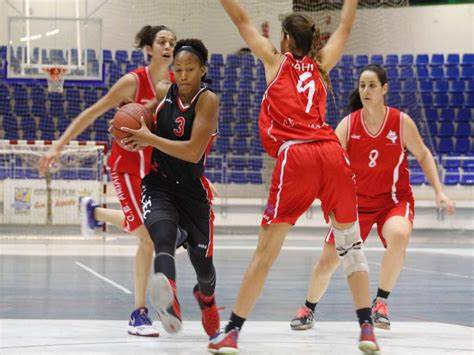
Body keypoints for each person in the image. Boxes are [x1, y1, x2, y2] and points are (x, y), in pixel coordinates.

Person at [209, 1, 381, 354]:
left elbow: (242, 20)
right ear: (313, 40)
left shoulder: (274, 62)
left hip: (298, 155)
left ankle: (232, 332)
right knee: (351, 247)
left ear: (286, 39)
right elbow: (346, 28)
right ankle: (367, 328)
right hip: (333, 154)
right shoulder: (321, 66)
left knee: (265, 254)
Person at [290, 64, 455, 331]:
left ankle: (381, 302)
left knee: (399, 235)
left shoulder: (401, 122)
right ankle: (308, 308)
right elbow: (329, 163)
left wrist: (439, 190)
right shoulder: (349, 124)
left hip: (393, 200)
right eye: (362, 85)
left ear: (384, 89)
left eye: (372, 85)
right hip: (354, 204)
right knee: (327, 261)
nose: (366, 90)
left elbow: (423, 154)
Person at [38, 25, 177, 337]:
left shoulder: (173, 88)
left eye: (172, 42)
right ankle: (139, 313)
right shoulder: (132, 81)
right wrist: (59, 145)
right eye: (162, 41)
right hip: (125, 166)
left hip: (154, 171)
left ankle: (95, 212)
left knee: (150, 229)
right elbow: (92, 112)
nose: (168, 46)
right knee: (149, 237)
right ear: (150, 48)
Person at [118, 38, 221, 338]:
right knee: (161, 237)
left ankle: (207, 301)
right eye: (178, 69)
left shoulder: (207, 100)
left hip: (193, 192)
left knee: (205, 269)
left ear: (202, 69)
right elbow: (144, 116)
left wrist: (149, 139)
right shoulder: (164, 91)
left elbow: (192, 151)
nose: (184, 74)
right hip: (159, 184)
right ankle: (169, 298)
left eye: (190, 68)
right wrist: (133, 125)